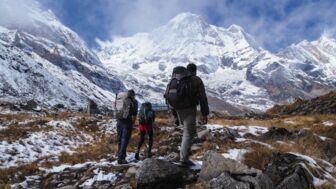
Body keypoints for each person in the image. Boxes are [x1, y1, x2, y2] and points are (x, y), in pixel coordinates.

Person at [176, 63, 209, 167]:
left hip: (178, 109)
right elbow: (203, 98)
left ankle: (183, 156)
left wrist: (174, 115)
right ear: (195, 71)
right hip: (189, 109)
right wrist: (205, 114)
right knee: (188, 133)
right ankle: (183, 160)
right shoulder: (196, 80)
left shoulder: (179, 79)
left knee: (186, 131)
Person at [116, 89, 138, 164]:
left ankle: (119, 155)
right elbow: (135, 114)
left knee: (119, 139)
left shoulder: (121, 99)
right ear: (133, 95)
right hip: (127, 122)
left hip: (119, 121)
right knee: (124, 140)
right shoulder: (134, 101)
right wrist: (133, 123)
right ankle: (121, 158)